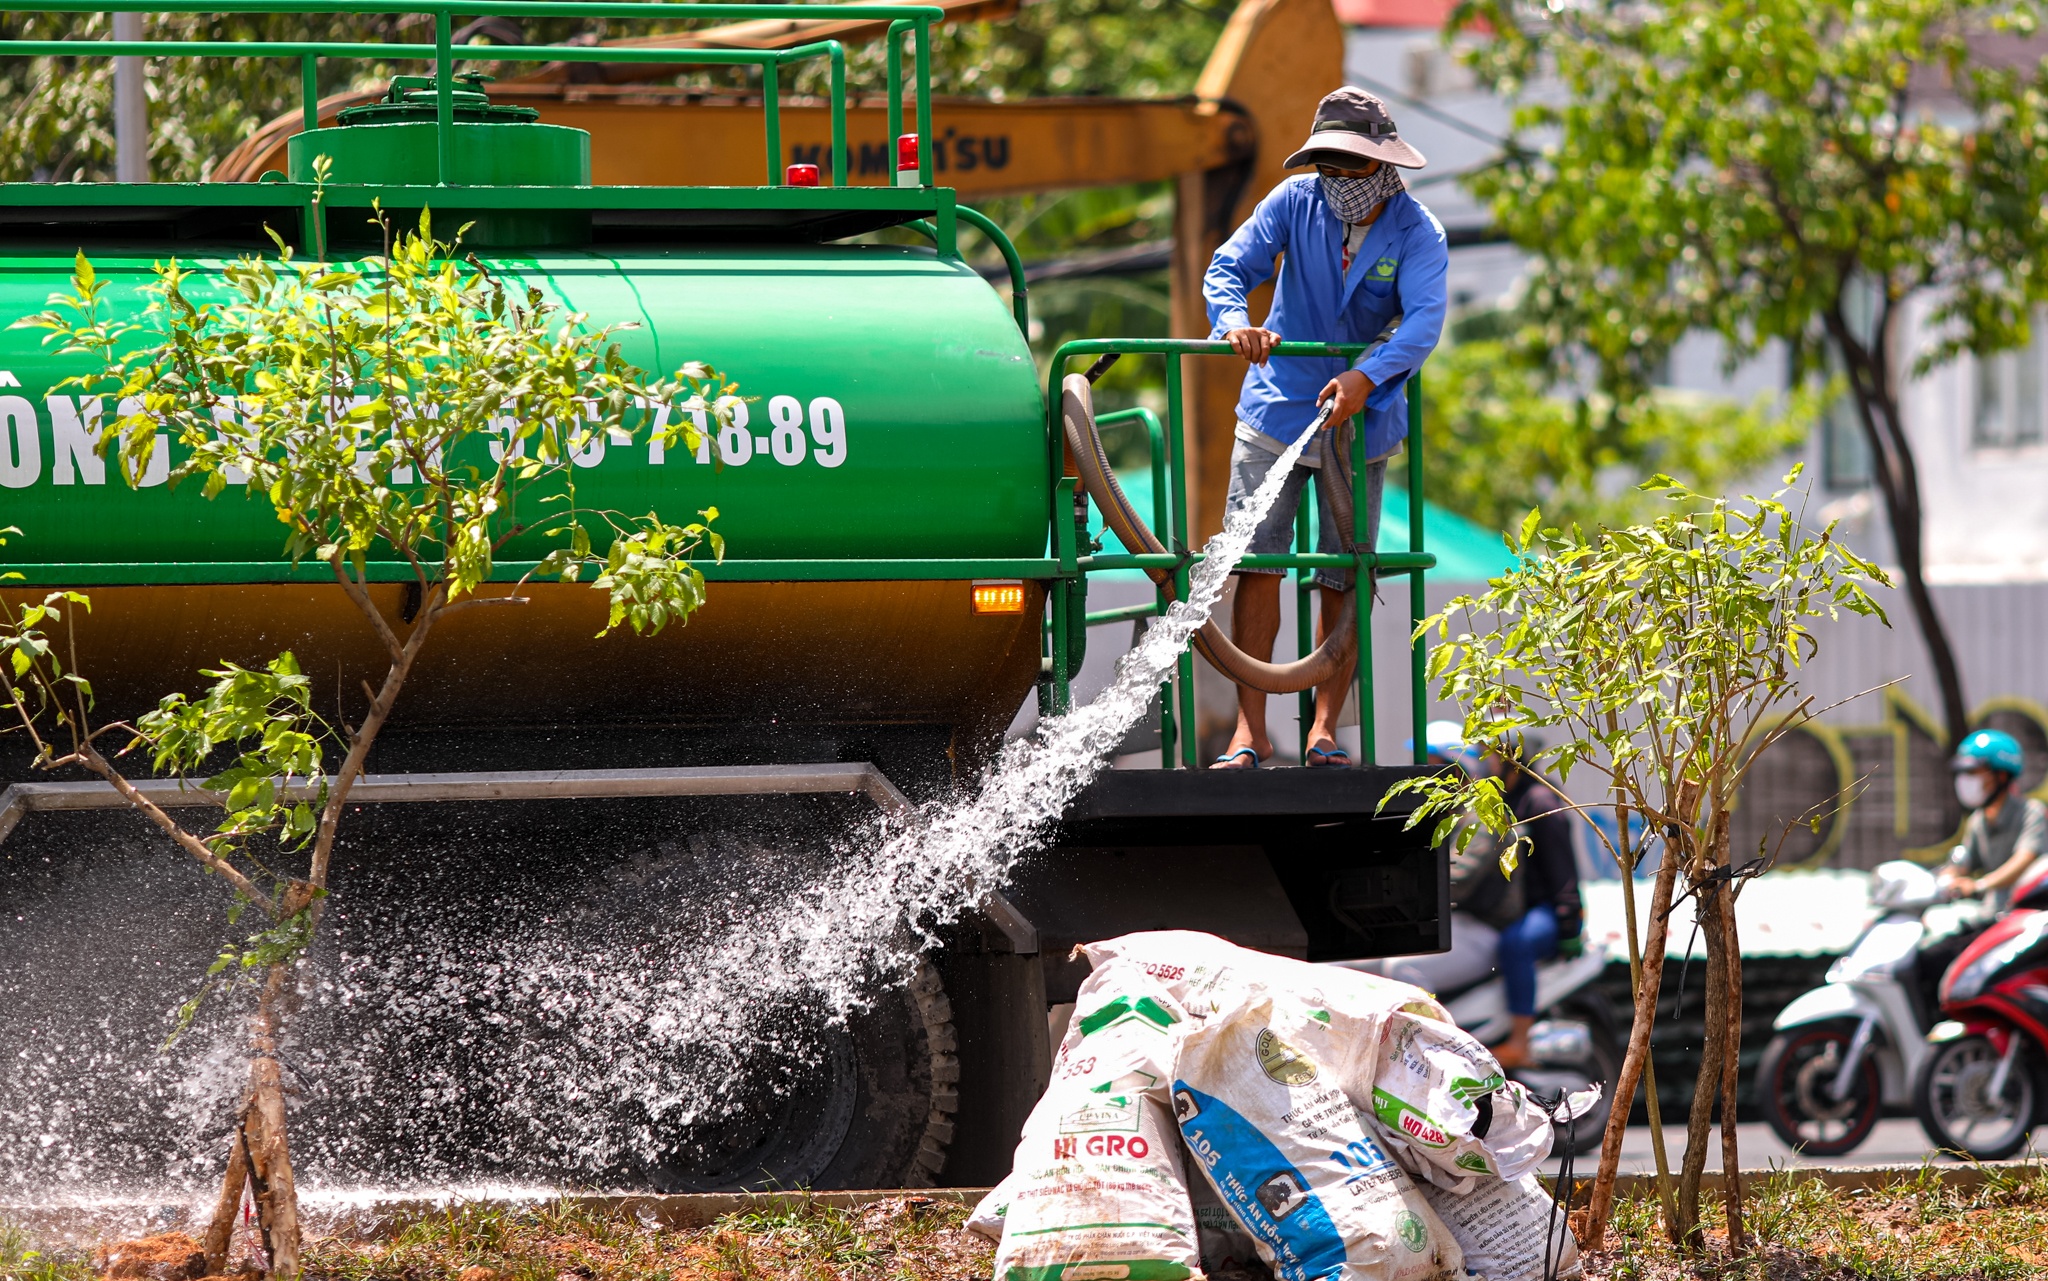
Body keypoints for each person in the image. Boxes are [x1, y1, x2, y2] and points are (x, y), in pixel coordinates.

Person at [1203, 86, 1448, 769]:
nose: (1339, 181)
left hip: (1360, 419)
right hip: (1278, 407)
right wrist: (1234, 325)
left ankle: (1324, 730)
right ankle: (1250, 732)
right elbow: (1228, 267)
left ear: (1384, 164)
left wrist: (1368, 376)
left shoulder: (1418, 232)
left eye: (1353, 166)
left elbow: (1424, 321)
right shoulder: (1291, 204)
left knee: (1347, 570)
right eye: (1328, 167)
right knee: (1258, 563)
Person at [1937, 728, 2045, 911]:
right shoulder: (1978, 821)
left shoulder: (2032, 813)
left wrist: (1979, 885)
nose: (1965, 780)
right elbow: (1964, 863)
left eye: (1973, 772)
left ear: (2001, 776)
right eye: (1962, 773)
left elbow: (2024, 859)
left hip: (2029, 918)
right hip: (1991, 914)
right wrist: (1948, 877)